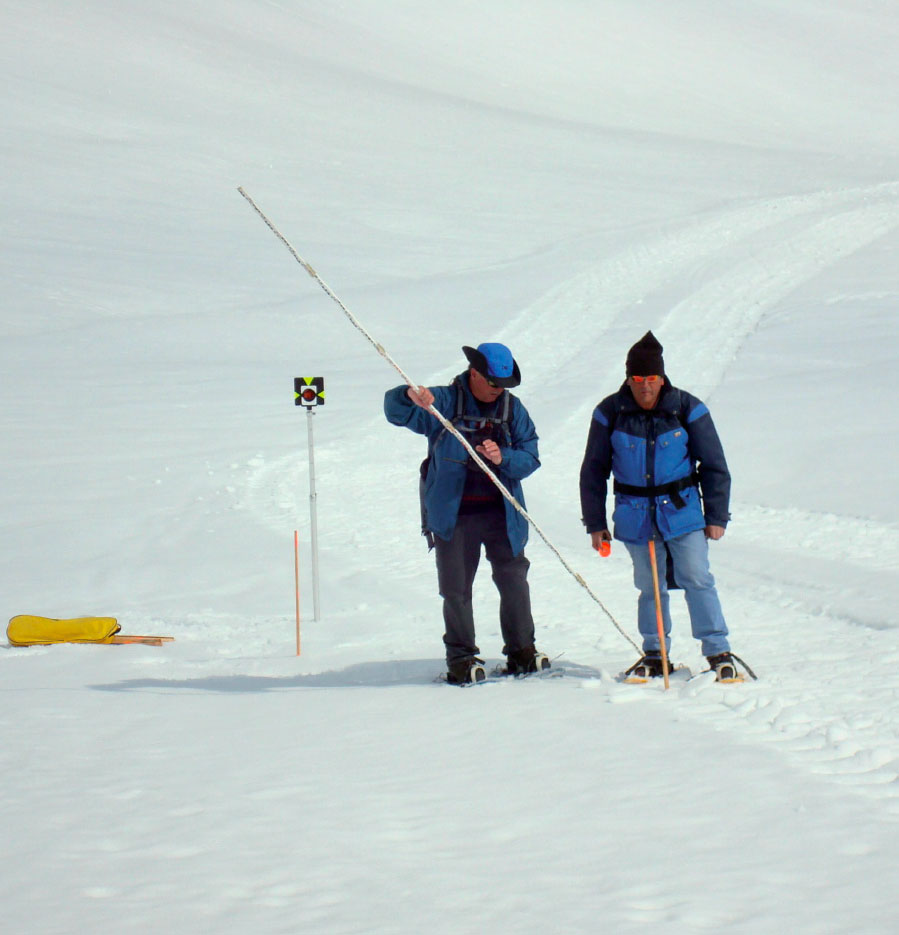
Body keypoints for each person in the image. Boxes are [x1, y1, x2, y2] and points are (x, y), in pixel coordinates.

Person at [579, 331, 743, 681]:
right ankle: (655, 653)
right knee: (649, 586)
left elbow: (714, 465)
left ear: (662, 378)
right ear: (628, 379)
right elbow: (593, 471)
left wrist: (716, 515)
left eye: (651, 379)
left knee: (696, 577)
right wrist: (595, 523)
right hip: (636, 516)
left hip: (682, 513)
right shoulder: (609, 413)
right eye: (637, 380)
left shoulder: (687, 408)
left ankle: (718, 652)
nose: (645, 387)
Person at [384, 342, 549, 684]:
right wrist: (407, 396)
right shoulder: (443, 401)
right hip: (454, 516)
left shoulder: (513, 410)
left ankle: (522, 651)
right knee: (456, 589)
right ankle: (461, 658)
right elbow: (395, 412)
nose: (498, 390)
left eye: (504, 385)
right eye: (493, 383)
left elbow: (530, 456)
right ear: (474, 373)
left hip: (503, 514)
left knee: (514, 581)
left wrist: (503, 457)